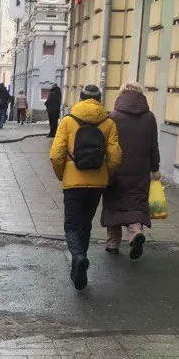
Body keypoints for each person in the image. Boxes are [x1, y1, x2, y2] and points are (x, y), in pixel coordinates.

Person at [50, 83, 122, 291]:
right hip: (97, 183)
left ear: (80, 98)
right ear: (99, 100)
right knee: (86, 224)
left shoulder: (68, 121)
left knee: (71, 226)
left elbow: (56, 155)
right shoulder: (108, 123)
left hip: (73, 183)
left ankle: (78, 257)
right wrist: (105, 173)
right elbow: (115, 156)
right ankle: (79, 266)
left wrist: (62, 174)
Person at [102, 81, 160, 260]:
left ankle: (112, 244)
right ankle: (135, 234)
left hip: (117, 169)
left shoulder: (114, 116)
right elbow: (153, 146)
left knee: (114, 204)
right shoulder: (149, 117)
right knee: (136, 203)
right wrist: (155, 168)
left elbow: (108, 144)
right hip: (140, 171)